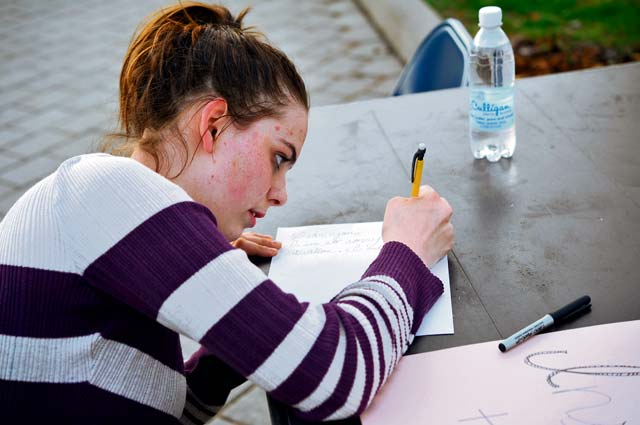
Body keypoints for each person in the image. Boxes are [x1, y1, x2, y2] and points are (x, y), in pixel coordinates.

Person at [0, 2, 453, 424]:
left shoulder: (109, 213)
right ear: (213, 124)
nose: (281, 195)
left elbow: (162, 409)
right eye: (279, 157)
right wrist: (407, 250)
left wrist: (233, 324)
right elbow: (335, 374)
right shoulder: (105, 189)